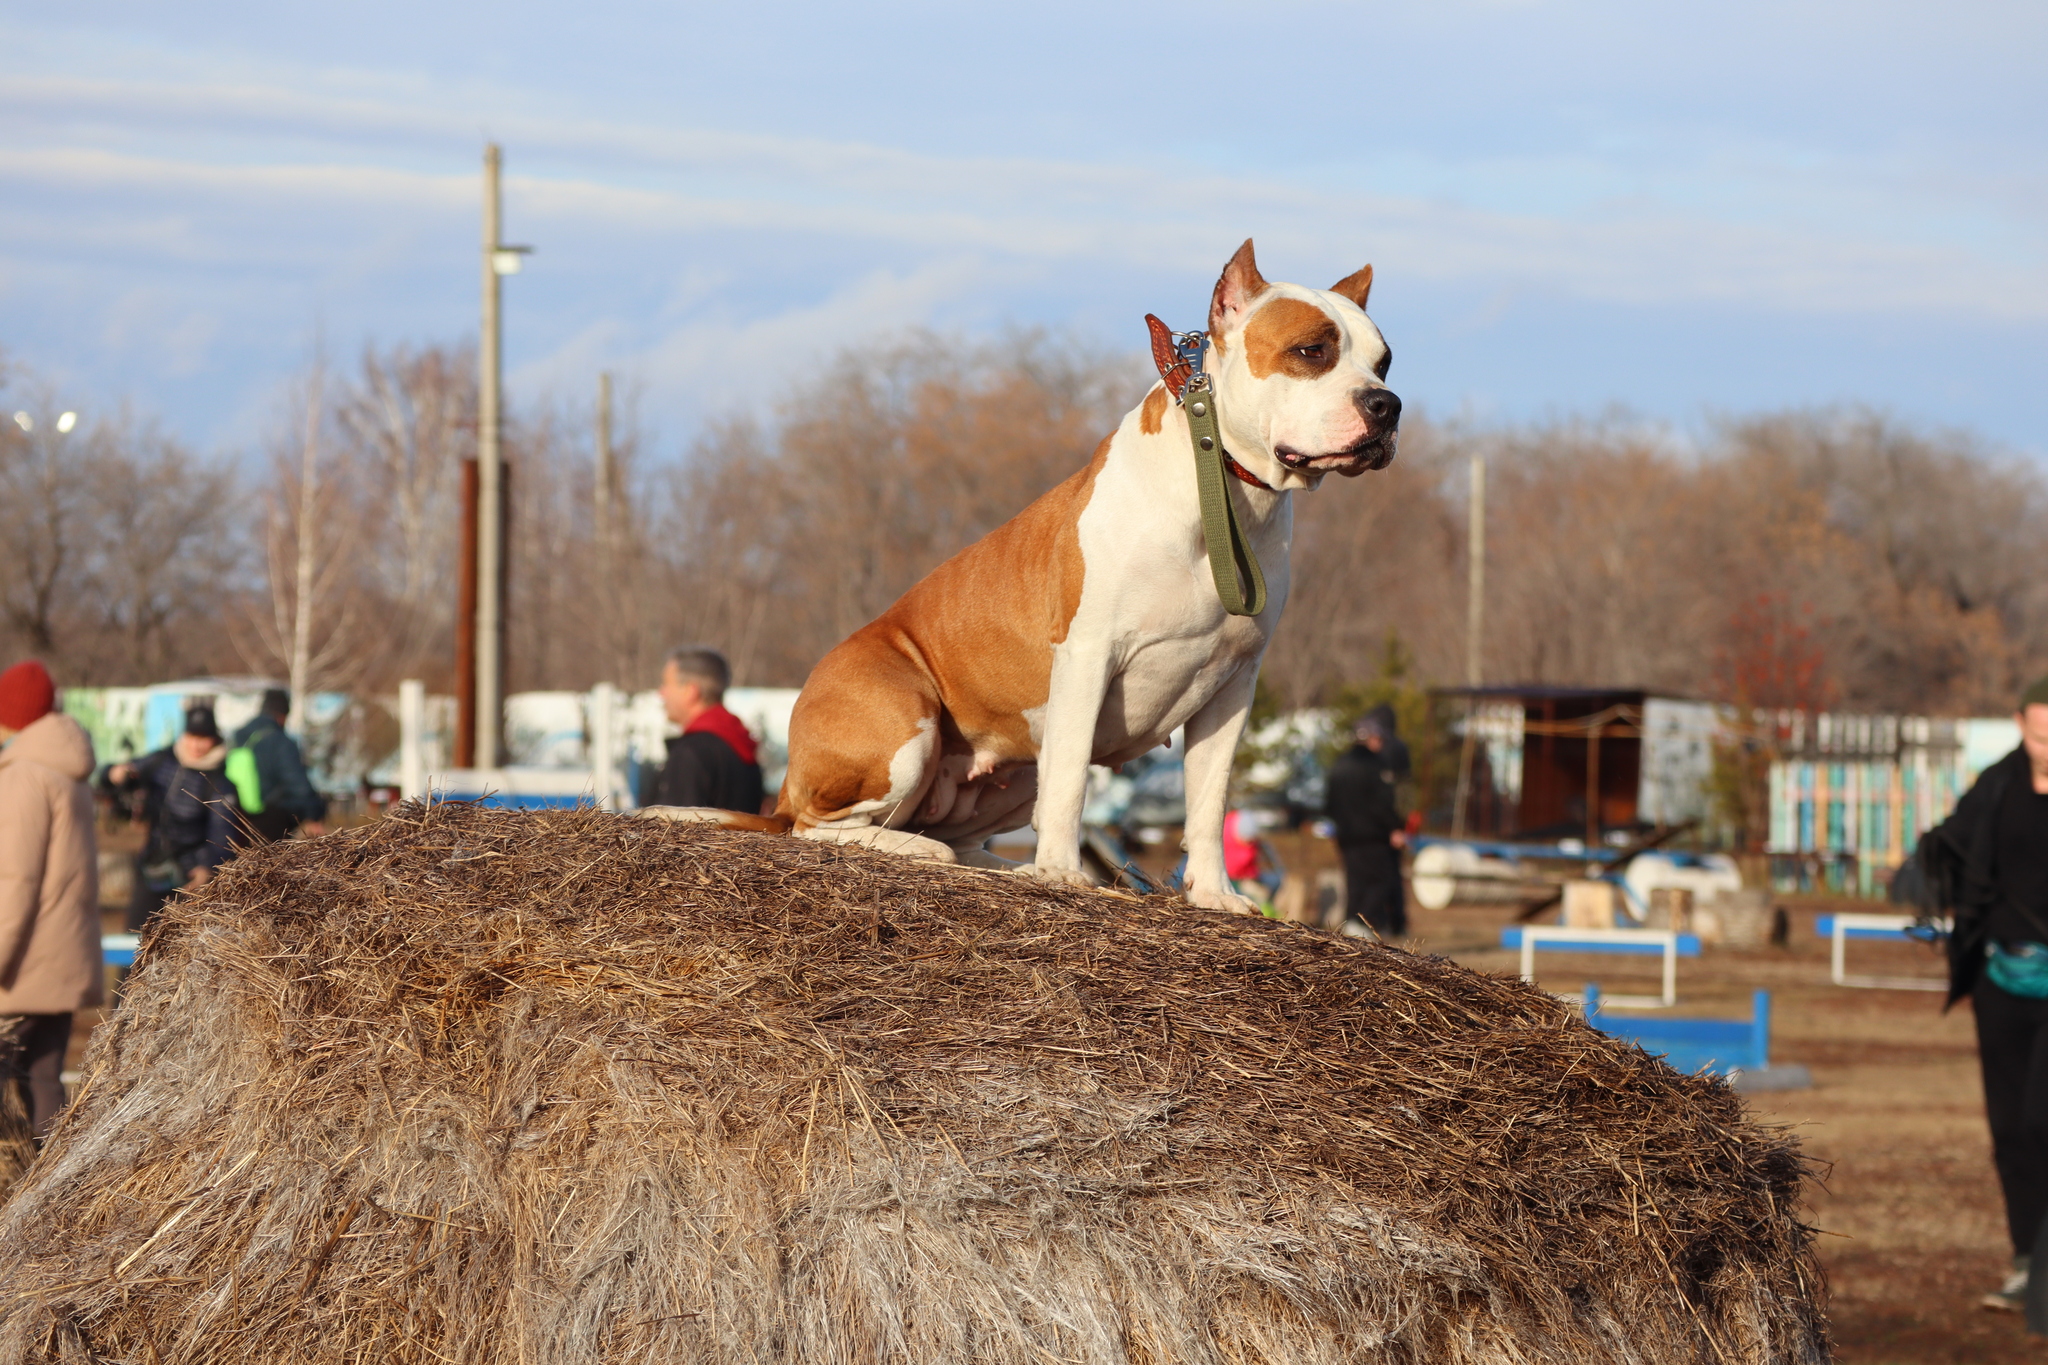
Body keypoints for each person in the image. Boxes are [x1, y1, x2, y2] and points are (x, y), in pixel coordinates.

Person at [1917, 676, 2048, 1315]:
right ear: (2020, 718)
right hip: (2000, 980)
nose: (2044, 730)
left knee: (2039, 1117)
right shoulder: (1997, 783)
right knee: (2007, 1128)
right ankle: (2027, 1263)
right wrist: (1926, 862)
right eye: (2035, 718)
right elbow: (1953, 839)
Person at [0, 660, 103, 1139]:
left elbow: (14, 879)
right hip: (64, 954)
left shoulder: (25, 776)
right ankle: (51, 1195)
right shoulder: (71, 771)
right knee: (44, 1078)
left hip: (24, 961)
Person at [104, 705, 240, 933]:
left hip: (191, 879)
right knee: (134, 941)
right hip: (152, 867)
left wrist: (208, 867)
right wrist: (114, 773)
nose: (197, 745)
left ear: (215, 740)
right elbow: (116, 775)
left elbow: (223, 834)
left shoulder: (220, 783)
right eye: (192, 736)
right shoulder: (161, 761)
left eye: (204, 738)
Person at [639, 647, 765, 815]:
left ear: (691, 691)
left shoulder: (691, 752)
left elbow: (672, 834)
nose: (661, 693)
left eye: (666, 684)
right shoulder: (739, 744)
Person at [1324, 714, 1409, 938]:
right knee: (1382, 880)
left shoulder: (1339, 765)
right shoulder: (1375, 765)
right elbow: (1382, 803)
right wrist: (1395, 828)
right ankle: (1364, 921)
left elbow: (1330, 802)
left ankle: (1353, 921)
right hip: (1373, 835)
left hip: (1347, 836)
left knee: (1355, 881)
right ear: (1371, 738)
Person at [227, 688, 328, 844]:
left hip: (237, 817)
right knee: (269, 864)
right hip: (271, 817)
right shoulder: (280, 741)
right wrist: (314, 813)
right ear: (283, 716)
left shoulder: (238, 737)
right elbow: (297, 783)